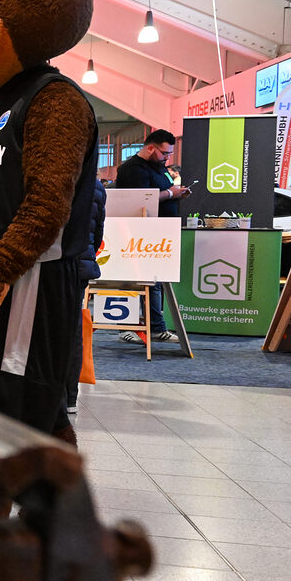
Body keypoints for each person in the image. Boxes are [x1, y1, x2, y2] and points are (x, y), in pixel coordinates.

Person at [114, 128, 187, 342]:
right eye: (165, 153)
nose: (167, 158)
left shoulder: (159, 167)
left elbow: (160, 193)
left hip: (158, 233)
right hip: (137, 233)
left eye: (170, 154)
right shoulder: (131, 169)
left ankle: (156, 327)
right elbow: (138, 201)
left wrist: (176, 194)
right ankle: (125, 327)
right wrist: (169, 194)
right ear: (150, 148)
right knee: (131, 282)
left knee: (154, 282)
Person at [67, 178, 107, 414]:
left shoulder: (52, 173)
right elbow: (98, 231)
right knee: (73, 330)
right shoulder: (96, 185)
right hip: (82, 264)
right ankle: (70, 395)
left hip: (54, 263)